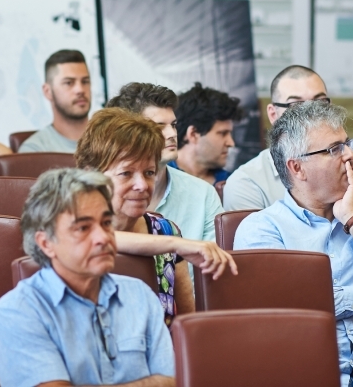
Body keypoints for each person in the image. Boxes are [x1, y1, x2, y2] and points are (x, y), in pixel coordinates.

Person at [233, 101, 353, 387]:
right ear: (297, 168)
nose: (350, 155)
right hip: (303, 376)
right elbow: (289, 307)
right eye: (334, 149)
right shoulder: (262, 229)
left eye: (347, 144)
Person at [0, 168, 175, 386]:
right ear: (46, 243)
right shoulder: (18, 310)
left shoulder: (140, 294)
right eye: (83, 228)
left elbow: (171, 381)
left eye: (106, 223)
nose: (102, 238)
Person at [75, 108, 195, 324]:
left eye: (149, 173)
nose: (141, 185)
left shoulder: (166, 231)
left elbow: (186, 326)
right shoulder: (72, 232)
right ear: (90, 176)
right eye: (126, 173)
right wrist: (176, 244)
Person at [224, 65, 353, 210]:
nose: (312, 115)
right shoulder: (247, 183)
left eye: (320, 103)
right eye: (297, 106)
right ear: (273, 114)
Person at [107, 83, 223, 243]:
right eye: (158, 127)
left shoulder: (203, 194)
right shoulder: (100, 192)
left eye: (173, 125)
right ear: (128, 132)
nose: (172, 134)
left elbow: (216, 263)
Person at [19, 49, 91, 154]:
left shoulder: (113, 140)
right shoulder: (35, 150)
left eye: (85, 81)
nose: (80, 90)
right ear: (48, 91)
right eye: (68, 83)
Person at [172, 82, 242, 188]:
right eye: (223, 133)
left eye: (230, 133)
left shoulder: (233, 185)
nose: (231, 143)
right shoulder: (157, 180)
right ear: (193, 134)